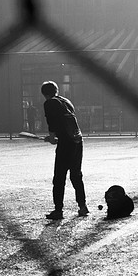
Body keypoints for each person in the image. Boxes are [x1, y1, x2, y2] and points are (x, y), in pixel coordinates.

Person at [41, 80, 87, 219]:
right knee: (76, 176)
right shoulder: (66, 101)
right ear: (56, 90)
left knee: (59, 178)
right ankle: (83, 206)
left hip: (66, 144)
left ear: (44, 93)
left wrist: (52, 137)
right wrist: (54, 137)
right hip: (77, 141)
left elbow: (52, 122)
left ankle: (58, 210)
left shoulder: (50, 103)